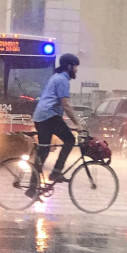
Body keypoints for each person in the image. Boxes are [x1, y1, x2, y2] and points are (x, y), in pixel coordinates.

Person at [31, 53, 82, 184]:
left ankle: (32, 188)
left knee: (44, 150)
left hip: (41, 116)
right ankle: (56, 172)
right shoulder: (62, 80)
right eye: (75, 67)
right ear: (69, 67)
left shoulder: (56, 77)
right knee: (70, 139)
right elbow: (66, 105)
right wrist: (78, 124)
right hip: (49, 116)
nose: (76, 70)